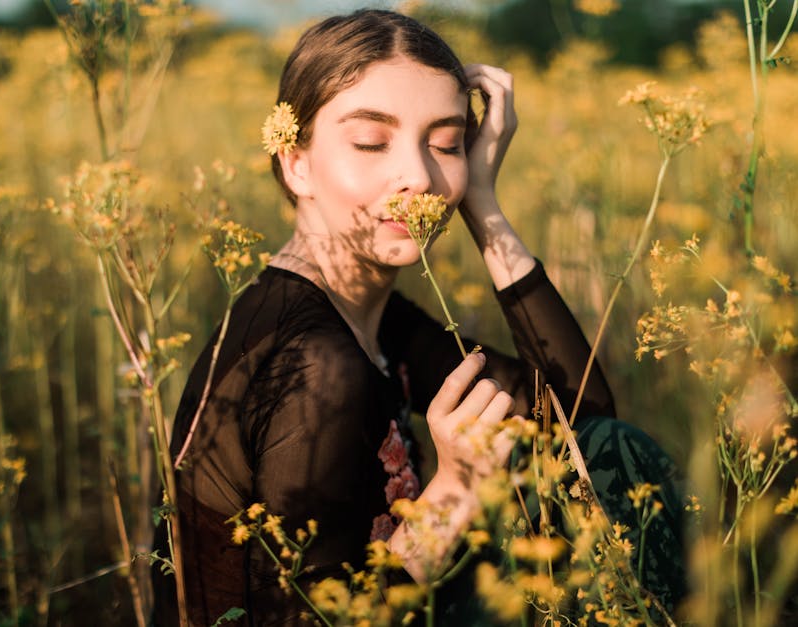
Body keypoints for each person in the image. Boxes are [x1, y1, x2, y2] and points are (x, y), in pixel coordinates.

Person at [152, 8, 684, 625]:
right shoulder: (313, 363)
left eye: (446, 144)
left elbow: (581, 423)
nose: (419, 177)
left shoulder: (374, 315)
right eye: (372, 142)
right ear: (296, 161)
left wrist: (482, 202)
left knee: (612, 462)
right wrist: (455, 488)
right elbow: (316, 619)